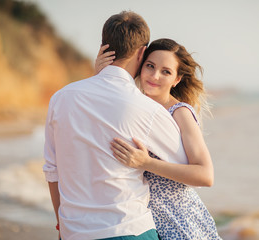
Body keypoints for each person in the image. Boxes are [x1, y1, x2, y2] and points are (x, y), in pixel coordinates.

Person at [43, 11, 190, 240]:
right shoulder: (148, 109)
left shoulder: (60, 98)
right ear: (142, 52)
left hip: (74, 232)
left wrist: (62, 227)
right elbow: (188, 168)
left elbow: (53, 171)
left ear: (104, 46)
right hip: (129, 229)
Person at [95, 38, 222, 239]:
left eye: (166, 71)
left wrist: (146, 162)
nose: (154, 76)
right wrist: (101, 76)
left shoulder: (180, 112)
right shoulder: (134, 104)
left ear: (177, 79)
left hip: (180, 223)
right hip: (144, 222)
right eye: (150, 66)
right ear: (140, 66)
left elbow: (206, 175)